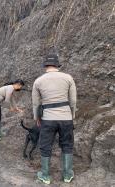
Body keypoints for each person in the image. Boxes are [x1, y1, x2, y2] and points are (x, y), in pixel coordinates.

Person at [32, 54, 77, 184]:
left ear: (45, 65)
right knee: (67, 145)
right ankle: (67, 175)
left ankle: (45, 175)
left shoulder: (38, 81)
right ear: (57, 65)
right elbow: (73, 100)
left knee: (45, 146)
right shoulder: (68, 78)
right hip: (66, 117)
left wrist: (37, 118)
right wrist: (72, 115)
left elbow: (36, 103)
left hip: (48, 119)